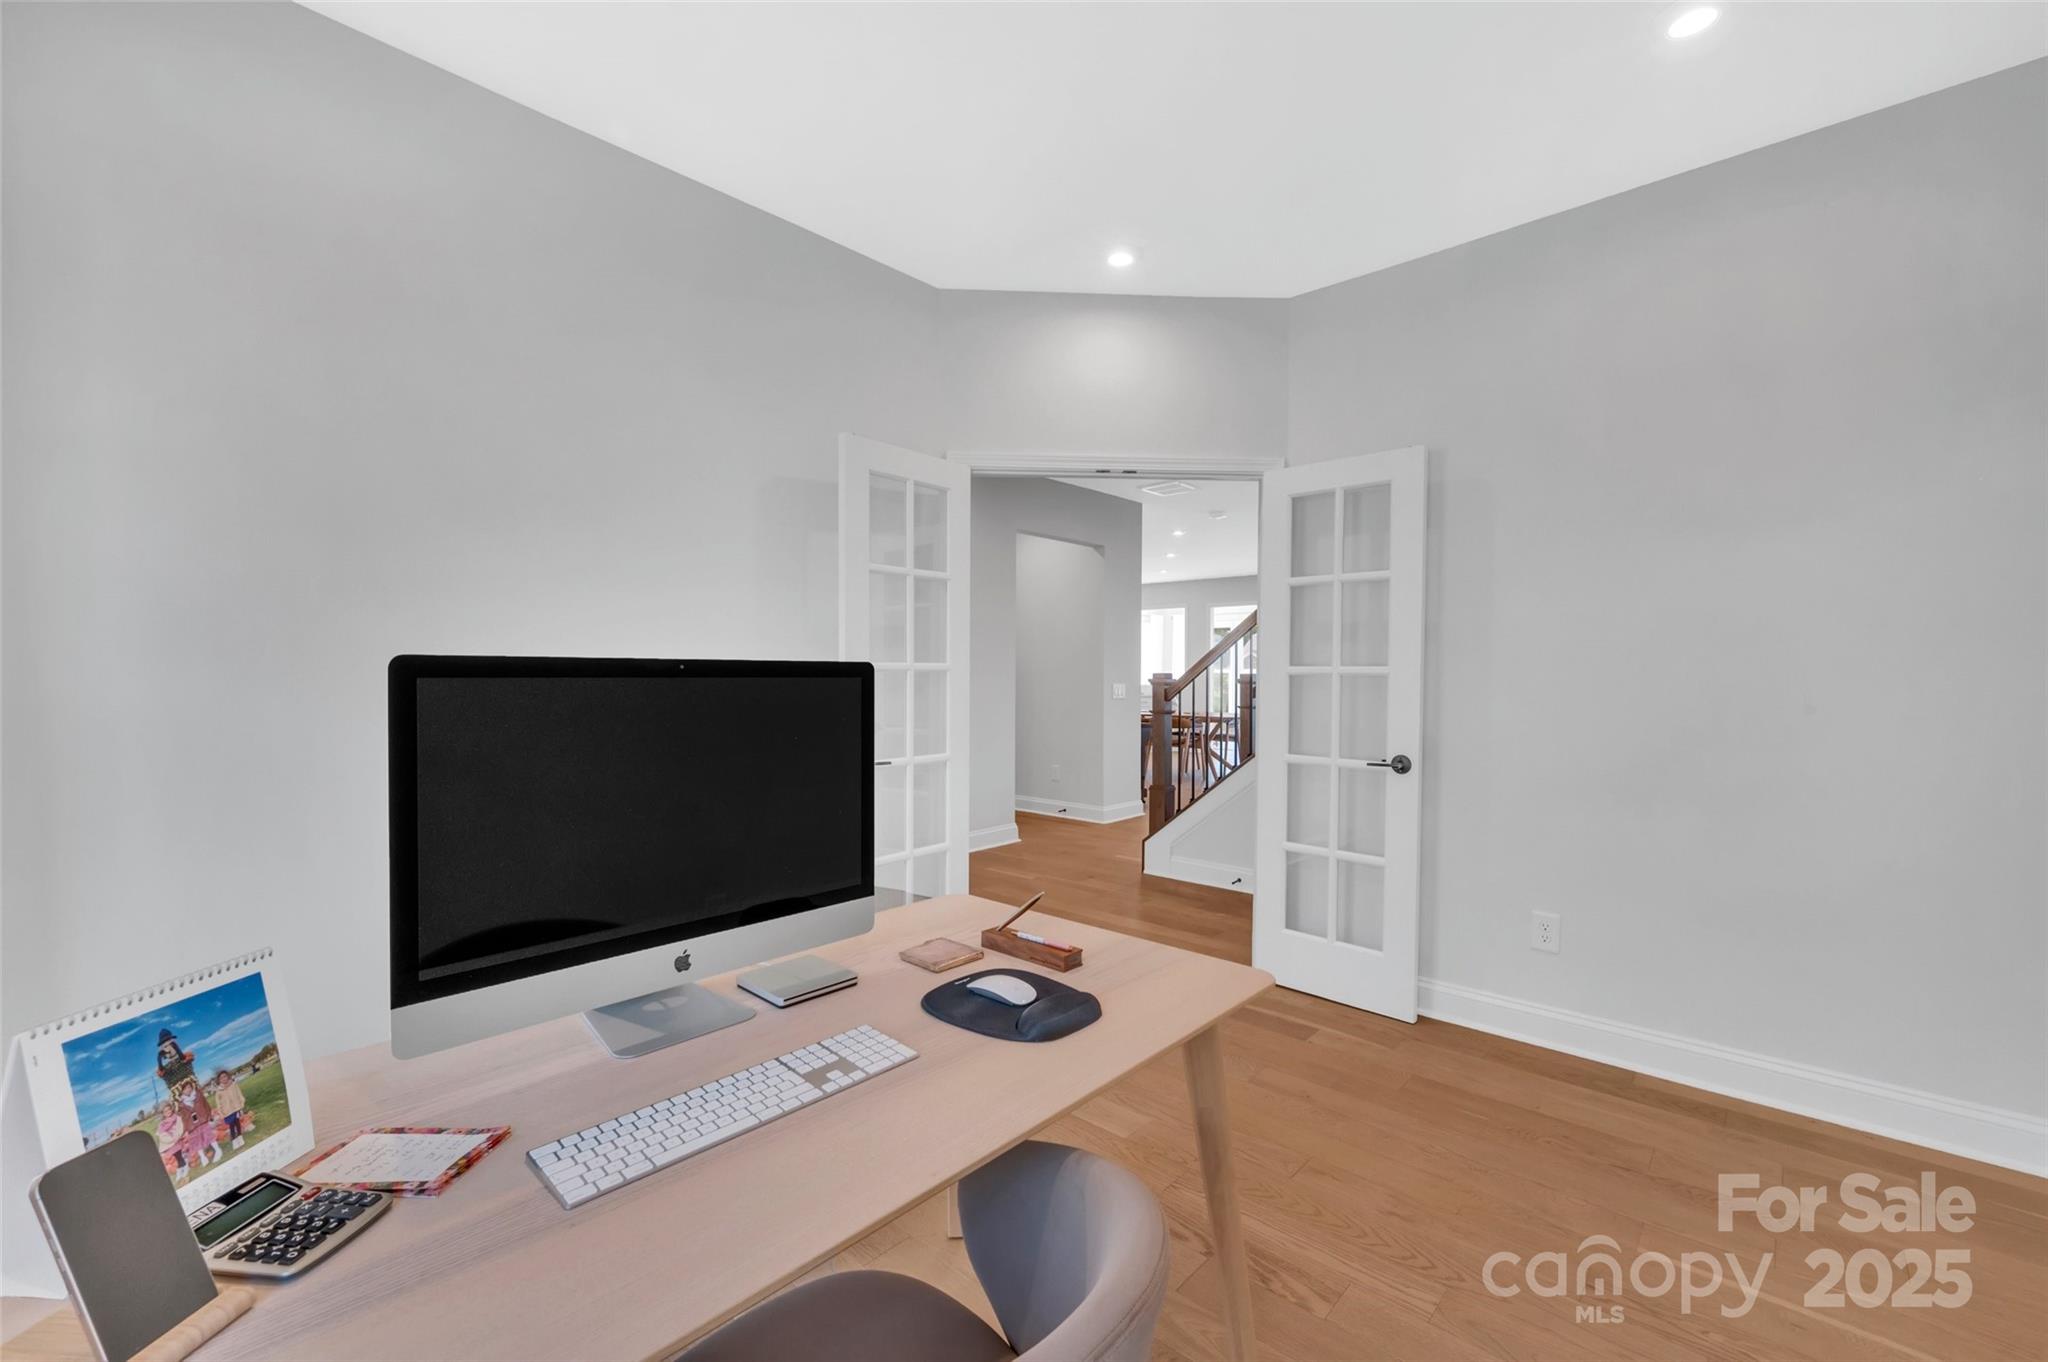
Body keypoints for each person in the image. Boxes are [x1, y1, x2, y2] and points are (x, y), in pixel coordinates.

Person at [175, 1079, 221, 1168]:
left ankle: (218, 1150)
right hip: (192, 1125)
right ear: (182, 1091)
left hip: (202, 1120)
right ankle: (203, 1157)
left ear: (192, 1088)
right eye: (185, 1089)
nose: (188, 1090)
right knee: (196, 1141)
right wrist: (185, 1128)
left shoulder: (198, 1095)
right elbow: (183, 1118)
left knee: (209, 1136)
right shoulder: (181, 1104)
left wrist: (209, 1115)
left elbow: (206, 1105)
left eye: (189, 1087)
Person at [211, 1069, 248, 1150]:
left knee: (237, 1122)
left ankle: (240, 1137)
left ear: (228, 1076)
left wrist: (242, 1102)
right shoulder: (219, 1091)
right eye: (221, 1078)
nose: (224, 1078)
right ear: (219, 1080)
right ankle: (234, 1141)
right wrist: (221, 1113)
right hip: (227, 1111)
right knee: (231, 1125)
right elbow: (218, 1103)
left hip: (236, 1108)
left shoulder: (233, 1085)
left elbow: (239, 1094)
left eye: (225, 1076)